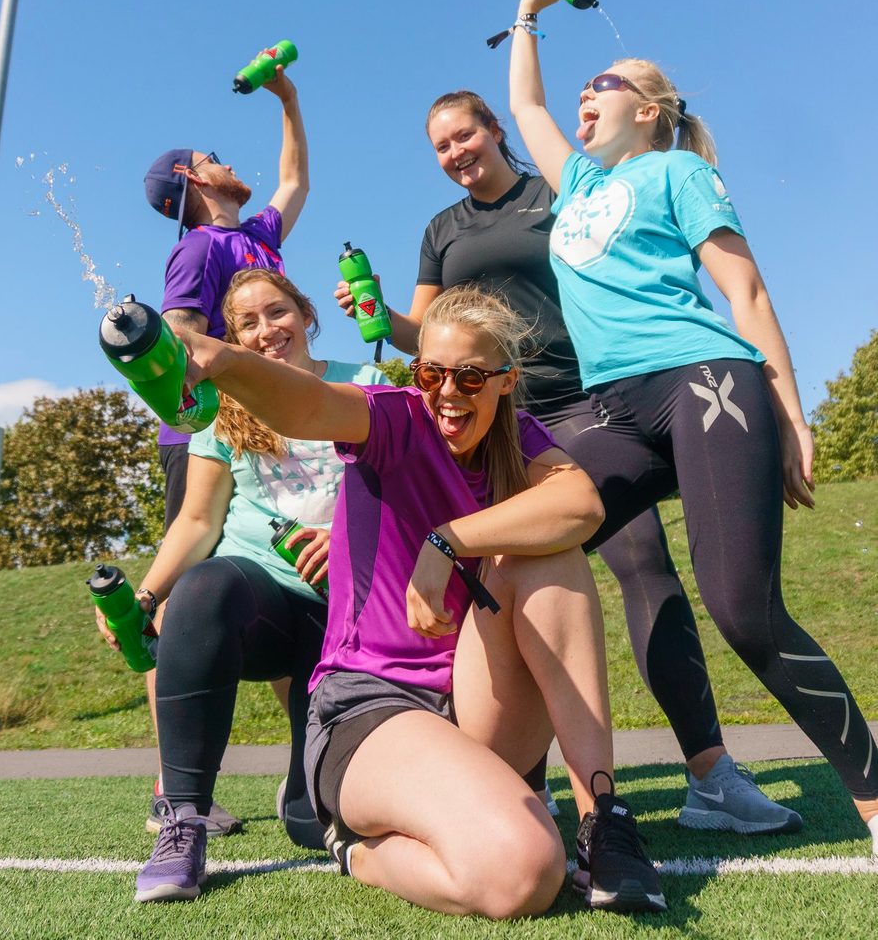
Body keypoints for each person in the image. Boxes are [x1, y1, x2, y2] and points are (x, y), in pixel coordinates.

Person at [334, 87, 800, 834]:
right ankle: (522, 778)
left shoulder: (560, 186)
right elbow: (421, 334)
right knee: (497, 569)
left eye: (464, 135)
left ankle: (709, 772)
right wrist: (377, 315)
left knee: (642, 562)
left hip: (584, 404)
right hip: (494, 419)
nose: (454, 153)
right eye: (440, 146)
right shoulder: (440, 231)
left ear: (495, 131)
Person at [504, 0, 878, 857]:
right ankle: (516, 789)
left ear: (650, 109)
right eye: (584, 90)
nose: (583, 101)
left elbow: (742, 288)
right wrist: (525, 14)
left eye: (604, 87)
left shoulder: (677, 170)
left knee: (743, 609)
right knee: (519, 540)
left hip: (703, 381)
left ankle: (872, 799)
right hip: (613, 409)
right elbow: (524, 108)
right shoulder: (579, 188)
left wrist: (789, 413)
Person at [147, 285, 667, 917]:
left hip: (471, 702)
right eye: (431, 373)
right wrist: (223, 359)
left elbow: (582, 505)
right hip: (371, 707)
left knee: (550, 553)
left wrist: (446, 540)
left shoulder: (522, 439)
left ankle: (602, 819)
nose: (447, 393)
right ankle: (353, 848)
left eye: (471, 377)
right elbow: (308, 406)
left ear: (506, 382)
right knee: (526, 874)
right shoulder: (395, 417)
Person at [98, 270, 388, 898]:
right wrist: (146, 594)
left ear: (306, 314)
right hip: (263, 597)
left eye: (277, 313)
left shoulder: (367, 382)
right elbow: (198, 519)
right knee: (201, 588)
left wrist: (347, 538)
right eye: (247, 323)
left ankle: (305, 781)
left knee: (315, 825)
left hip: (349, 610)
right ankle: (182, 820)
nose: (265, 331)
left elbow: (407, 492)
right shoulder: (223, 405)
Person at [139, 65, 309, 834]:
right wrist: (230, 383)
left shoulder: (255, 237)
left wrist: (288, 99)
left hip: (269, 422)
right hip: (205, 435)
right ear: (190, 177)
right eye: (212, 155)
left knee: (282, 580)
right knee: (186, 592)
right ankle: (170, 790)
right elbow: (175, 336)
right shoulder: (201, 249)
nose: (225, 160)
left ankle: (309, 756)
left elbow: (294, 180)